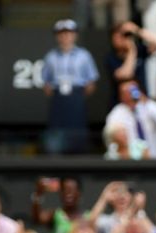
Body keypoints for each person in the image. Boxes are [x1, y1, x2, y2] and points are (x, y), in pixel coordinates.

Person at [41, 19, 99, 154]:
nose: (65, 37)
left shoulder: (84, 55)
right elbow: (46, 84)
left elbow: (91, 82)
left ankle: (77, 169)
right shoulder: (50, 57)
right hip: (58, 98)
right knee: (56, 134)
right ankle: (55, 167)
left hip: (77, 96)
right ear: (57, 36)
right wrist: (58, 95)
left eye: (68, 33)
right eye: (61, 33)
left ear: (75, 35)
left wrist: (77, 96)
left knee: (78, 134)